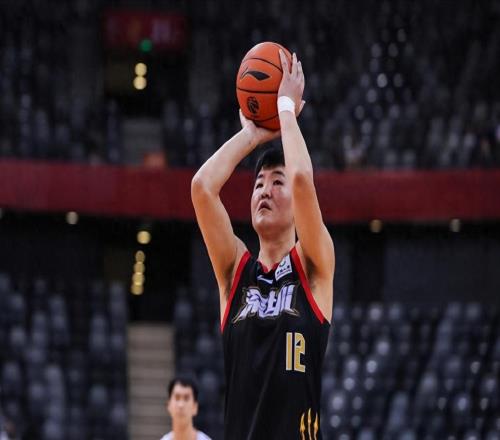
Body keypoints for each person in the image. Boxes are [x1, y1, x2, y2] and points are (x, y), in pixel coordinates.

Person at [191, 50, 335, 439]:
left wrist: (285, 110)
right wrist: (252, 135)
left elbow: (302, 180)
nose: (265, 191)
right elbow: (202, 188)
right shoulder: (234, 272)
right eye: (258, 184)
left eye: (276, 182)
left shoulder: (313, 264)